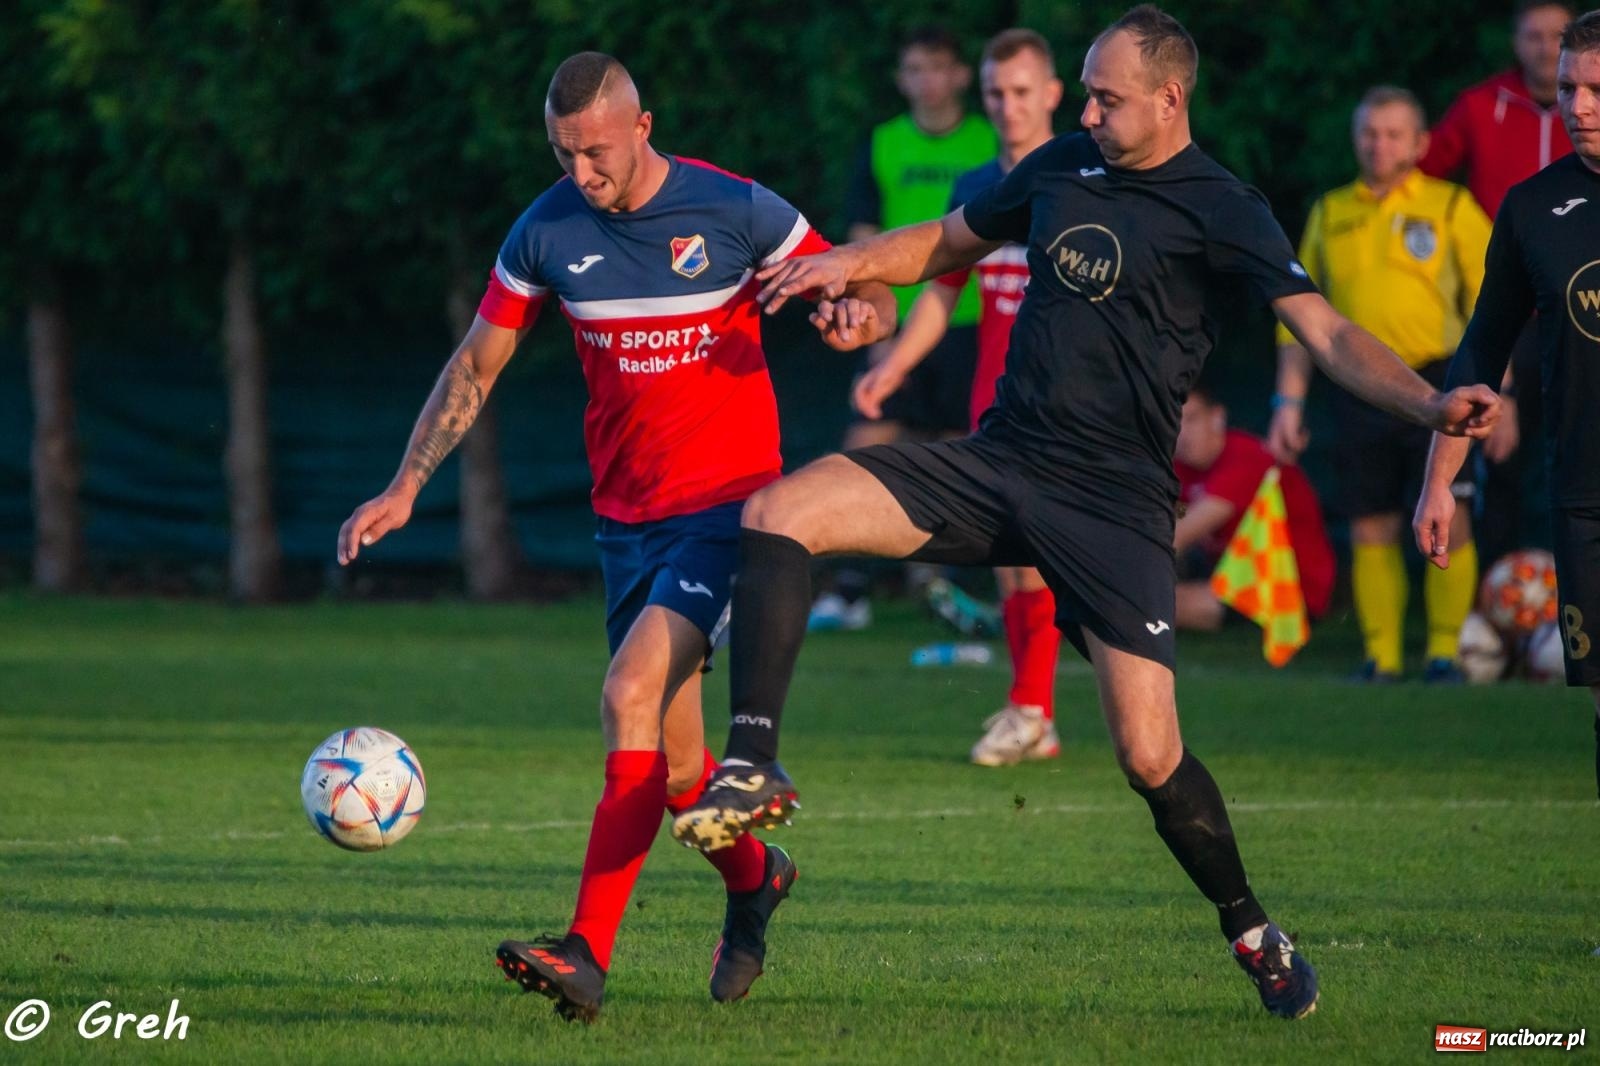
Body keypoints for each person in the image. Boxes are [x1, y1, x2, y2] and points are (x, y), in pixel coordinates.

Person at [672, 6, 1501, 1020]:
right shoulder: (1063, 165)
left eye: (1108, 98)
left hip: (1114, 507)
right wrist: (851, 261)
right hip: (1000, 461)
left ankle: (1249, 925)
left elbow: (1325, 333)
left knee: (1149, 757)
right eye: (1088, 94)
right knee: (779, 509)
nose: (1090, 112)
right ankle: (752, 762)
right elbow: (948, 240)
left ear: (1170, 98)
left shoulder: (1223, 206)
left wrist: (1428, 404)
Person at [335, 52, 893, 1023]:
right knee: (677, 774)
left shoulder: (737, 209)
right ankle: (757, 876)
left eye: (596, 152)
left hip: (727, 515)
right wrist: (406, 483)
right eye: (564, 154)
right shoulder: (545, 228)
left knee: (627, 692)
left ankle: (585, 954)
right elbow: (477, 364)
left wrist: (858, 316)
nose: (582, 173)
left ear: (642, 127)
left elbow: (864, 287)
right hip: (624, 523)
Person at [854, 28, 1066, 766]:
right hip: (992, 399)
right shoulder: (975, 184)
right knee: (1010, 555)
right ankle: (1036, 712)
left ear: (1052, 94)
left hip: (1059, 404)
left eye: (1021, 91)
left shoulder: (1081, 181)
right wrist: (894, 366)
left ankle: (1032, 706)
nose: (1008, 106)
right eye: (996, 93)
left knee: (1036, 553)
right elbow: (943, 292)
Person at [1414, 9, 1600, 798]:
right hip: (1584, 498)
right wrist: (1439, 482)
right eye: (1568, 88)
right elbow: (1479, 355)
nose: (1578, 107)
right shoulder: (1531, 210)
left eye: (1596, 90)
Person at [1268, 86, 1492, 683]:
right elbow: (1297, 318)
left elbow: (1494, 307)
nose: (1379, 144)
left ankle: (1445, 654)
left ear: (1420, 143)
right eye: (1369, 132)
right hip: (1360, 388)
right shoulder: (1330, 212)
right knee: (1371, 521)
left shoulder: (1451, 206)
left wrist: (1505, 394)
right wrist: (1288, 402)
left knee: (1451, 516)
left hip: (1441, 382)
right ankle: (1382, 658)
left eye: (1394, 134)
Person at [810, 28, 998, 631]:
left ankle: (940, 586)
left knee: (959, 453)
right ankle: (848, 587)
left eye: (938, 67)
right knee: (867, 443)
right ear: (901, 79)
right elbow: (862, 240)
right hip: (899, 324)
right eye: (915, 68)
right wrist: (877, 327)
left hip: (972, 326)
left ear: (961, 76)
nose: (927, 80)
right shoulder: (883, 142)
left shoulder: (994, 141)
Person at [1420, 0, 1576, 569]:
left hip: (1578, 306)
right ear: (1515, 42)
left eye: (1555, 36)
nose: (1544, 47)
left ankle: (1566, 584)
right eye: (1532, 35)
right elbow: (1422, 178)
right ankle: (1502, 589)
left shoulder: (1587, 109)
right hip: (1507, 309)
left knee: (1574, 449)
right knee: (1500, 453)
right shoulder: (1480, 105)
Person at [1173, 381, 1335, 631]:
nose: (1182, 432)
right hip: (1234, 576)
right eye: (1174, 422)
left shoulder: (1245, 457)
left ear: (1217, 417)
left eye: (1192, 419)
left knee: (1150, 602)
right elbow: (1172, 514)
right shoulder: (1183, 467)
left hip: (1288, 587)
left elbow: (1177, 534)